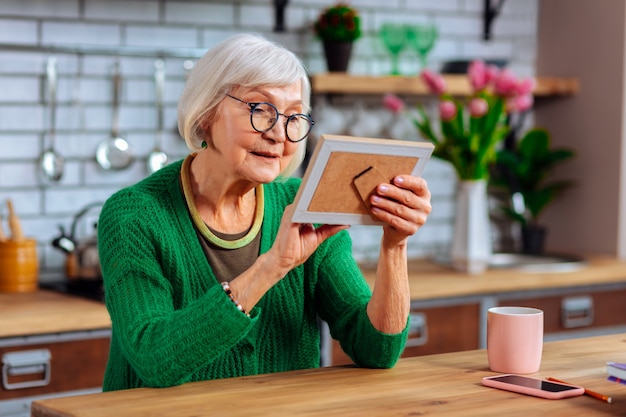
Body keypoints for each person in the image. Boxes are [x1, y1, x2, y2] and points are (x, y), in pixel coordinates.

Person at [97, 33, 432, 392]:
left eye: (293, 117)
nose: (279, 134)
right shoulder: (134, 216)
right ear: (207, 113)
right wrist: (270, 268)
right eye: (260, 110)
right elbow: (154, 360)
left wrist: (395, 244)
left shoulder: (303, 206)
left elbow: (377, 350)